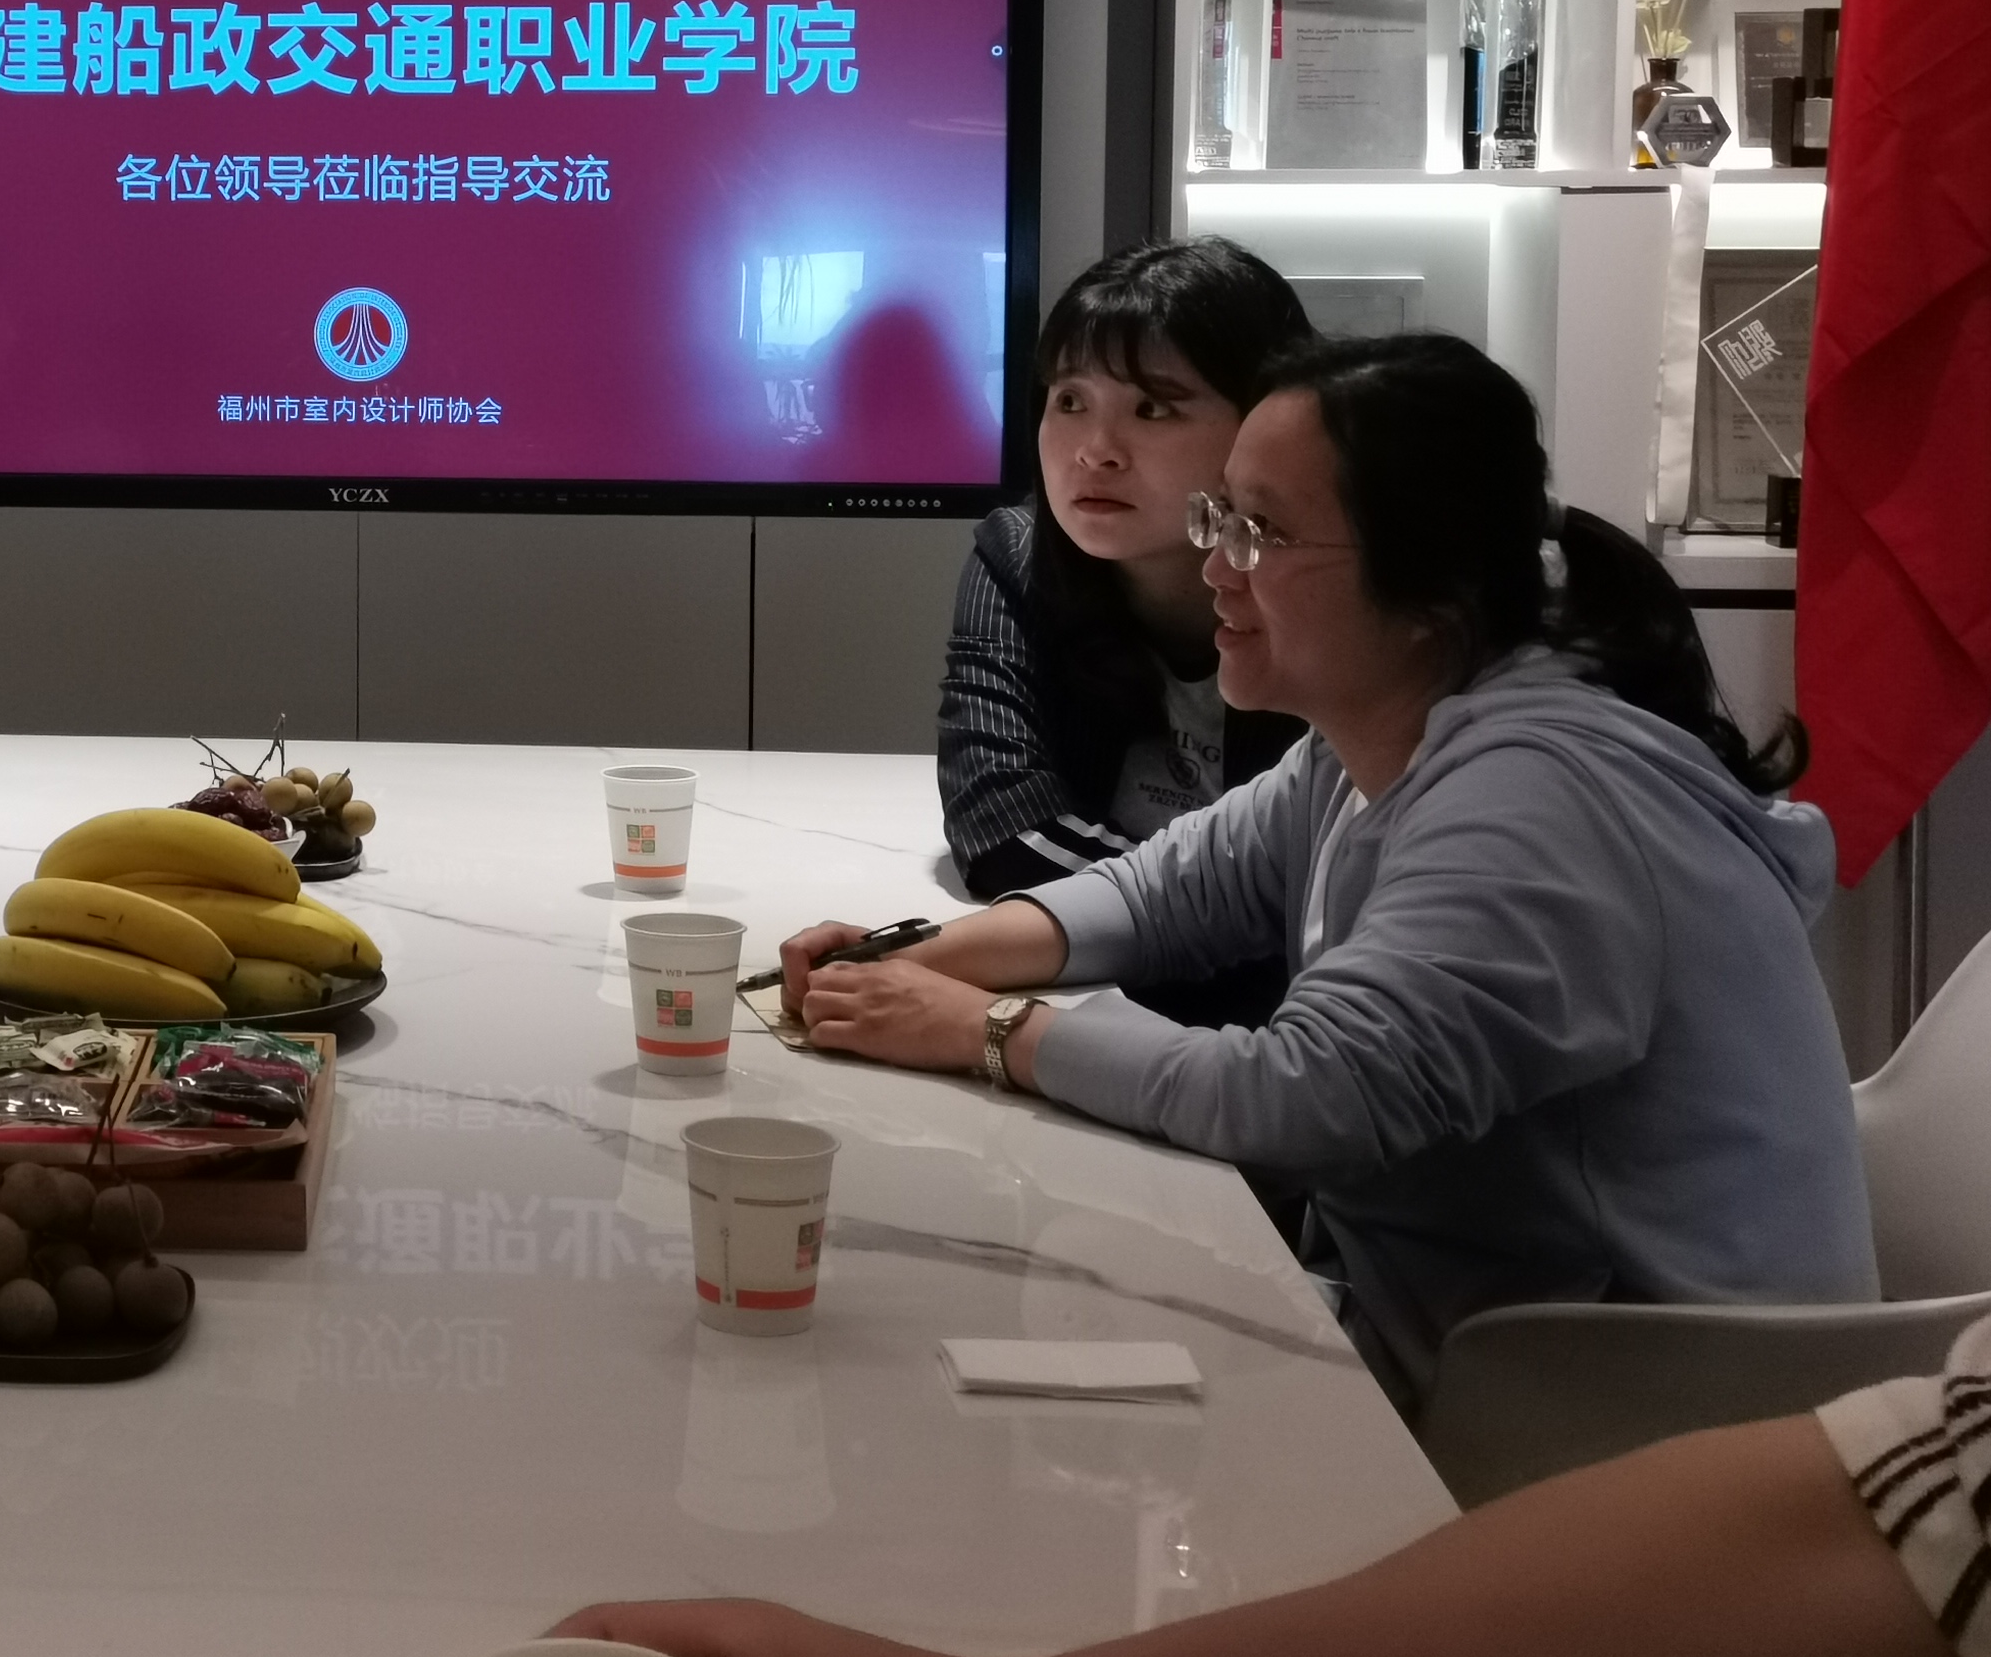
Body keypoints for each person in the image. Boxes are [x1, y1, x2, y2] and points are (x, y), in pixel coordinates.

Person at [786, 331, 1873, 1410]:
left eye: (1257, 532)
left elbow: (1303, 1097)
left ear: (1432, 589)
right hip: (1471, 1348)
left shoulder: (1539, 798)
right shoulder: (1372, 737)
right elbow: (1162, 895)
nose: (1216, 566)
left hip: (1637, 1425)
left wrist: (983, 1030)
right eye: (1220, 518)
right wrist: (916, 957)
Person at [559, 1317, 1984, 1657]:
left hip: (1595, 1361)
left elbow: (1335, 1081)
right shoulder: (1350, 783)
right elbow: (1888, 1525)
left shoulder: (1542, 786)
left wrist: (1002, 1034)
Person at [941, 239, 1314, 1028]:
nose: (1095, 451)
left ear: (1264, 422)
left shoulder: (1328, 584)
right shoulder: (1018, 557)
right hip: (1117, 1002)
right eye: (1070, 401)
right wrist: (1212, 926)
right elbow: (1002, 827)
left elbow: (1327, 891)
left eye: (1154, 408)